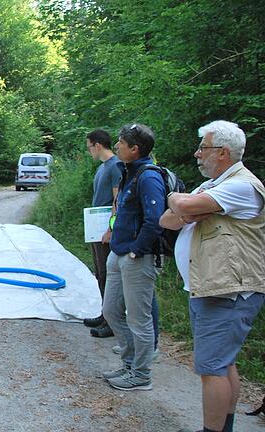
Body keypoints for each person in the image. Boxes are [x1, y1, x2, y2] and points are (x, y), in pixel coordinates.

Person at [160, 121, 264, 432]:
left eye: (202, 148)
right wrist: (186, 207)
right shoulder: (215, 185)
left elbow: (182, 205)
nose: (196, 154)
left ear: (223, 152)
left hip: (229, 291)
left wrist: (183, 203)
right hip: (212, 287)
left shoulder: (241, 186)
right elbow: (169, 220)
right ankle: (223, 427)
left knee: (212, 368)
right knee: (222, 363)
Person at [101, 123, 165, 391]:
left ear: (134, 149)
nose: (116, 146)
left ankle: (141, 374)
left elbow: (155, 221)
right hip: (119, 252)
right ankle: (128, 365)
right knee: (111, 311)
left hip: (136, 257)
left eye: (121, 143)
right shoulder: (129, 172)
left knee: (139, 319)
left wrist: (136, 250)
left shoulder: (149, 177)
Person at [83, 129, 119, 338]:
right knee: (99, 272)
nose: (89, 151)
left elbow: (117, 201)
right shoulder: (102, 168)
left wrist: (111, 229)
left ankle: (112, 321)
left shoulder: (115, 166)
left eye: (89, 147)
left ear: (98, 145)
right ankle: (104, 314)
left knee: (108, 274)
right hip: (96, 229)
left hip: (106, 230)